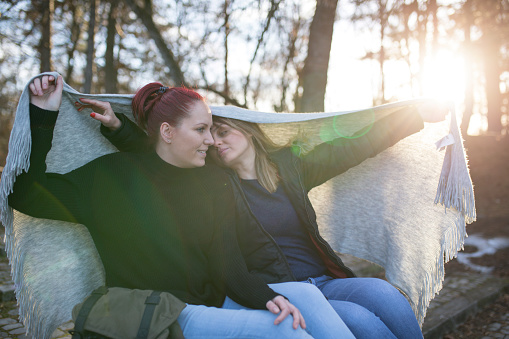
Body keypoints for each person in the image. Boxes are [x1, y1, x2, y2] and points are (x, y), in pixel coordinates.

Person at [8, 74, 356, 339]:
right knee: (286, 331)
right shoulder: (108, 178)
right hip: (163, 311)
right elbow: (25, 193)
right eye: (202, 129)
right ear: (168, 132)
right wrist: (44, 114)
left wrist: (266, 297)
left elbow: (228, 264)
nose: (211, 140)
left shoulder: (212, 183)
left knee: (304, 298)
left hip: (215, 299)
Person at [98, 88, 447, 339]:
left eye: (222, 131)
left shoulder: (290, 167)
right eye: (208, 134)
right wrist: (119, 129)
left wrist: (413, 116)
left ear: (248, 131)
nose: (215, 141)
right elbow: (164, 154)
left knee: (386, 296)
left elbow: (353, 146)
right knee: (362, 322)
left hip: (324, 280)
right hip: (280, 289)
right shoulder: (214, 183)